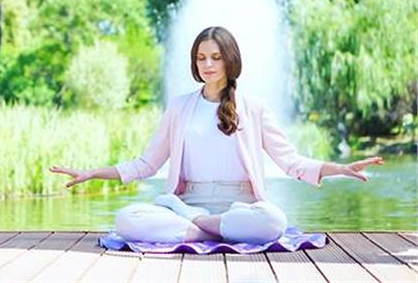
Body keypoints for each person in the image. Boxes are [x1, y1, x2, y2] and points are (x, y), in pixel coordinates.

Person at [49, 26, 384, 244]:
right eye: (201, 57)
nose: (208, 65)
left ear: (230, 60)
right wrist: (94, 172)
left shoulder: (253, 106)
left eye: (216, 57)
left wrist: (339, 169)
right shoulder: (180, 107)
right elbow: (146, 164)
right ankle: (203, 228)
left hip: (240, 207)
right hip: (185, 206)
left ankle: (200, 230)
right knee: (127, 219)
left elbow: (291, 161)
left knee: (273, 221)